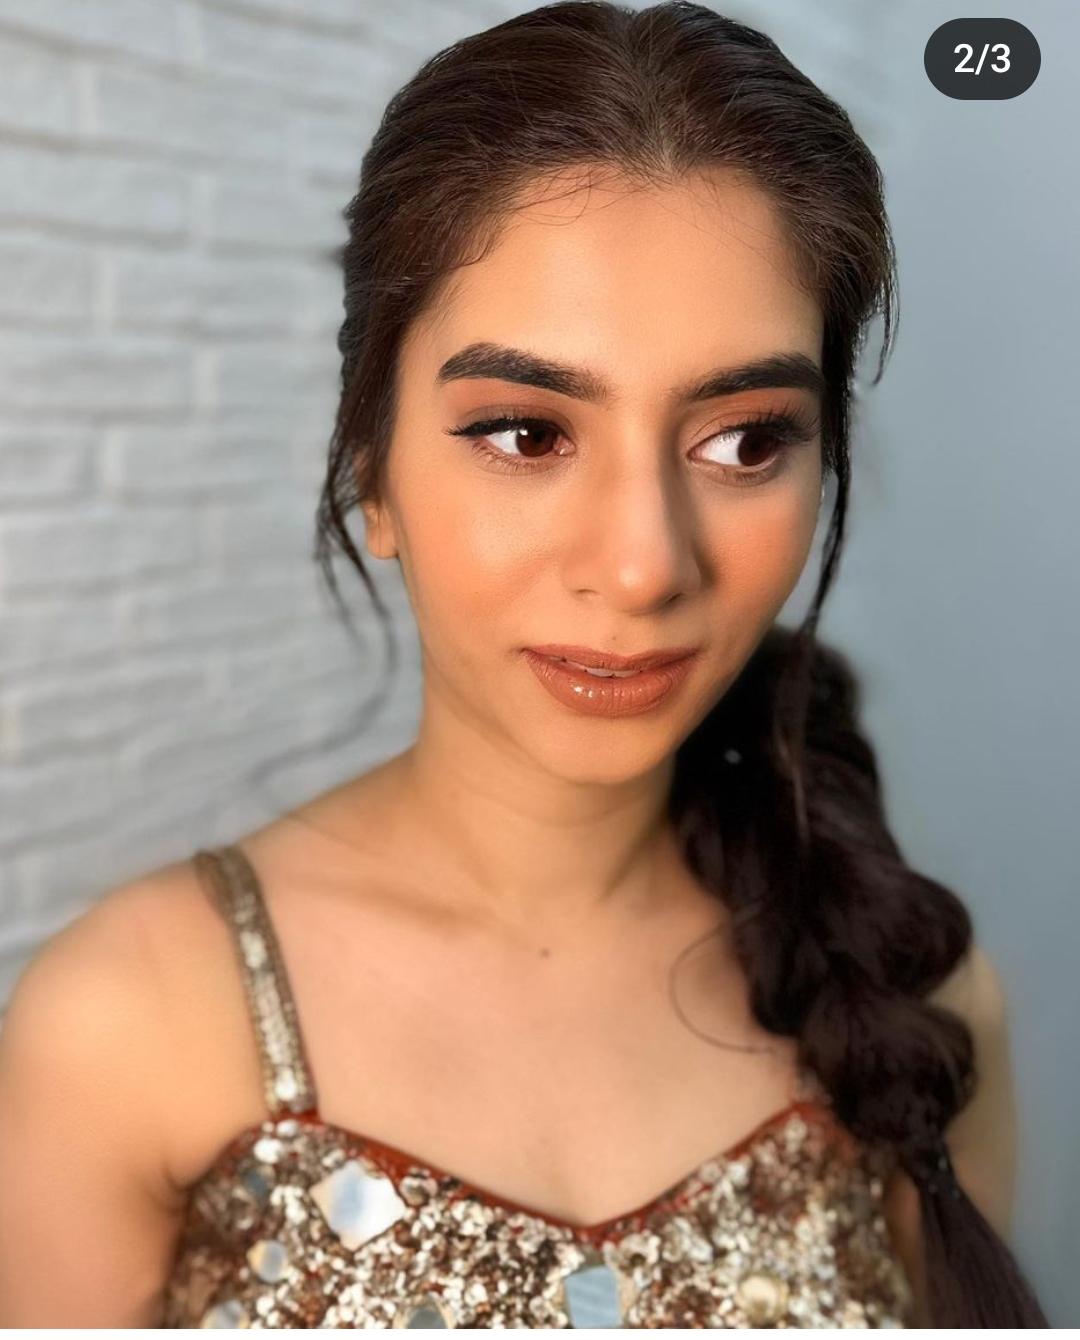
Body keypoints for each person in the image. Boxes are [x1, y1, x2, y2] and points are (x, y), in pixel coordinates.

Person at [0, 0, 1048, 1328]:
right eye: (525, 433)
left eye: (744, 442)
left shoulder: (919, 1009)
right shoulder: (127, 1020)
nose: (643, 565)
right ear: (372, 472)